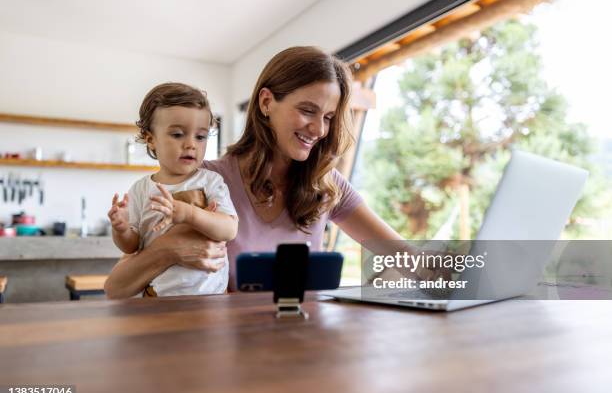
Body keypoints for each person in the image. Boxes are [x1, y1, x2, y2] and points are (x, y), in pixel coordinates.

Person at [104, 46, 430, 299]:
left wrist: (453, 270)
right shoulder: (205, 181)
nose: (318, 129)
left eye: (329, 117)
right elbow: (116, 287)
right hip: (231, 354)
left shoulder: (325, 184)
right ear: (265, 103)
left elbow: (406, 257)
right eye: (307, 110)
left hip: (304, 349)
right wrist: (168, 249)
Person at [107, 82, 238, 296]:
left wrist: (188, 213)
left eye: (200, 136)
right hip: (158, 299)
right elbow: (131, 247)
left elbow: (229, 229)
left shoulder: (211, 181)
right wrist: (121, 229)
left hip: (210, 299)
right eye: (178, 134)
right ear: (151, 139)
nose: (191, 144)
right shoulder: (141, 189)